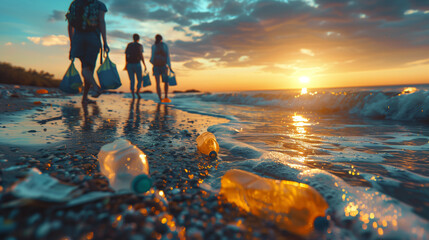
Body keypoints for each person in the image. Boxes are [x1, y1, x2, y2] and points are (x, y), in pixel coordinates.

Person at [66, 0, 109, 104]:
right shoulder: (99, 5)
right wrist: (105, 42)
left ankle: (85, 97)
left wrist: (72, 43)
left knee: (85, 67)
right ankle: (95, 87)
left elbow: (70, 25)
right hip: (93, 38)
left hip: (78, 38)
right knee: (89, 68)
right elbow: (101, 22)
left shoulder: (75, 3)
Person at [149, 34, 173, 102]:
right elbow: (167, 56)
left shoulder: (155, 46)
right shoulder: (163, 46)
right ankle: (164, 97)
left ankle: (162, 97)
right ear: (161, 39)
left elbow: (152, 57)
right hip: (161, 66)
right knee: (164, 82)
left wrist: (169, 66)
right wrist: (169, 66)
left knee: (160, 83)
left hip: (158, 66)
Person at [125, 34, 147, 99]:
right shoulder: (140, 45)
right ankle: (137, 91)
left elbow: (126, 55)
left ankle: (133, 95)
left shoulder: (129, 45)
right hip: (137, 64)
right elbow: (141, 55)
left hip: (129, 64)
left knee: (132, 80)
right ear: (138, 39)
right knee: (139, 79)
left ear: (133, 38)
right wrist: (144, 64)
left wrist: (126, 64)